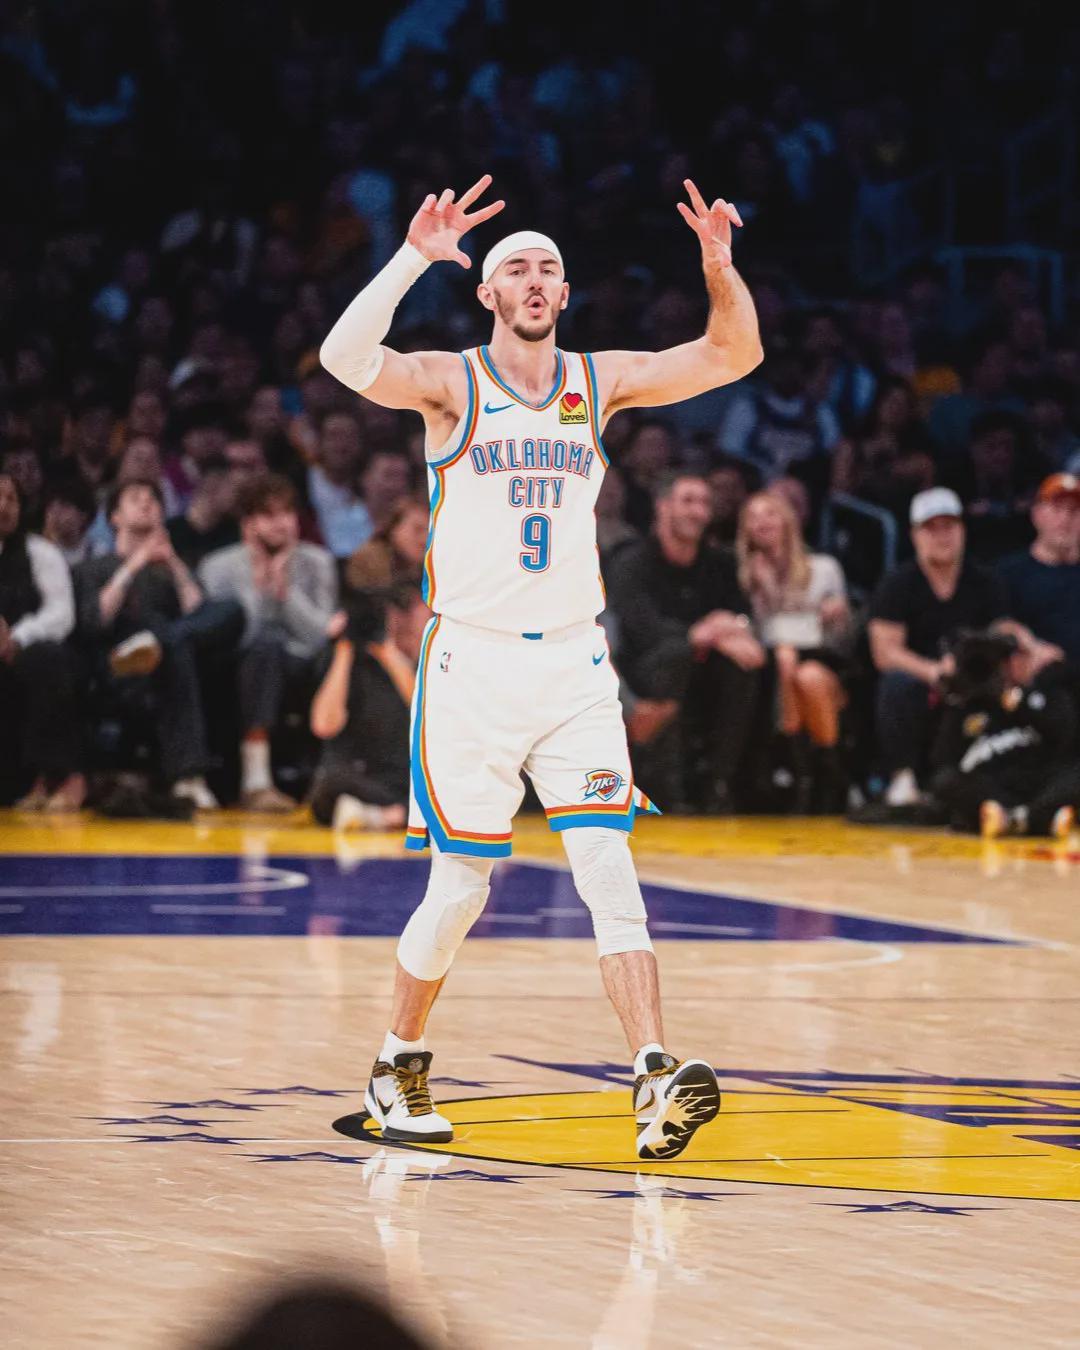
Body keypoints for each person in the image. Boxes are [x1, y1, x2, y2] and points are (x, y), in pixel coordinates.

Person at [320, 174, 762, 1158]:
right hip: (470, 666)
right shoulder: (451, 383)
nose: (531, 278)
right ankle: (397, 1060)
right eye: (514, 266)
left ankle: (653, 1074)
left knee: (609, 866)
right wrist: (413, 257)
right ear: (487, 292)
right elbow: (343, 358)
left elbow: (734, 353)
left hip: (573, 665)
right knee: (462, 886)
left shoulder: (598, 381)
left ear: (564, 294)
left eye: (547, 268)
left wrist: (718, 267)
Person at [74, 479, 243, 808]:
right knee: (176, 644)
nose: (147, 503)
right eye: (136, 498)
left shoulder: (172, 568)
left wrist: (173, 563)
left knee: (229, 612)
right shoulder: (94, 568)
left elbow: (200, 615)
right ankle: (188, 778)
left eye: (153, 499)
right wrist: (134, 564)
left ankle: (159, 641)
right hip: (121, 666)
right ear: (114, 517)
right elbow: (97, 620)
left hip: (173, 658)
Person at [608, 472, 766, 814]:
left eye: (705, 503)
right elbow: (643, 631)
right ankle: (668, 785)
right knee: (676, 656)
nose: (698, 512)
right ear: (662, 507)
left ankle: (719, 784)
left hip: (704, 665)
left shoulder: (719, 564)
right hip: (641, 670)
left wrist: (729, 630)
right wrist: (701, 634)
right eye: (688, 501)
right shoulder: (631, 561)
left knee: (744, 664)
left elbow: (741, 615)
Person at [199, 475, 338, 811]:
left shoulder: (318, 562)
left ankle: (329, 778)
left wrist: (285, 592)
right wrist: (260, 587)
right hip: (237, 664)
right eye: (269, 515)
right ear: (248, 523)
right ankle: (256, 781)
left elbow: (320, 634)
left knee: (339, 654)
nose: (281, 523)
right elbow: (232, 631)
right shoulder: (218, 566)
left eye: (287, 513)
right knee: (265, 645)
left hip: (302, 660)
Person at [867, 487, 1010, 806]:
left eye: (949, 526)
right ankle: (902, 777)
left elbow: (1002, 631)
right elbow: (884, 653)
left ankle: (997, 778)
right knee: (896, 684)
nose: (942, 536)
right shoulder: (897, 584)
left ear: (962, 530)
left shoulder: (984, 580)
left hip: (975, 679)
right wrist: (933, 671)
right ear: (915, 535)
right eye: (931, 528)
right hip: (922, 682)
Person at [737, 490, 850, 811]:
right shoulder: (744, 578)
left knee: (808, 674)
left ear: (787, 520)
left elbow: (842, 639)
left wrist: (839, 614)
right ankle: (816, 774)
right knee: (790, 664)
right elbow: (758, 636)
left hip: (824, 660)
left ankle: (803, 770)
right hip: (768, 671)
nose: (762, 522)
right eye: (753, 517)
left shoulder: (824, 569)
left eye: (770, 513)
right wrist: (768, 589)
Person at [931, 630, 1078, 839]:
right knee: (946, 781)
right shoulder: (966, 705)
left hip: (1038, 781)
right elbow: (943, 759)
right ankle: (1034, 820)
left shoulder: (1047, 694)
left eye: (1021, 656)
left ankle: (1021, 818)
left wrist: (1020, 702)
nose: (1016, 663)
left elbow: (1064, 737)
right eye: (1008, 659)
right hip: (993, 788)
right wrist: (959, 697)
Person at [309, 585, 429, 830]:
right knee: (328, 786)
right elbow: (324, 725)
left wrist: (387, 652)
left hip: (401, 778)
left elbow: (427, 714)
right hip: (356, 774)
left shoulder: (420, 666)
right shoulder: (343, 663)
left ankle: (380, 816)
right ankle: (385, 815)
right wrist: (344, 649)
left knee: (442, 789)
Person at [0, 473, 84, 810]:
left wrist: (17, 637)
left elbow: (61, 612)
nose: (3, 506)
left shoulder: (40, 552)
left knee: (50, 658)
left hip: (24, 655)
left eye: (11, 499)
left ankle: (51, 778)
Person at [997, 472, 1080, 669]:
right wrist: (1031, 646)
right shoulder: (1009, 573)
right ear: (1037, 514)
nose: (1065, 518)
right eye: (1057, 508)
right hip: (1038, 677)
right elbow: (998, 623)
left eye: (1074, 510)